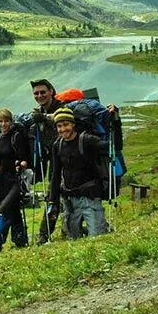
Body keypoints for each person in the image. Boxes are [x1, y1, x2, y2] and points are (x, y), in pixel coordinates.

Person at [47, 108, 108, 239]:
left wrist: (115, 121)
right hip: (70, 201)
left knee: (98, 238)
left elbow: (112, 146)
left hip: (90, 197)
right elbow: (56, 174)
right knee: (74, 240)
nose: (63, 129)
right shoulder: (57, 145)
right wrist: (52, 200)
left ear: (73, 124)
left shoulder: (87, 140)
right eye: (59, 126)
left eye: (66, 125)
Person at [0, 108, 30, 251]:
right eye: (0, 121)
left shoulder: (16, 136)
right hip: (4, 179)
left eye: (6, 121)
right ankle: (20, 239)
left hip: (17, 180)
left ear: (11, 122)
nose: (3, 124)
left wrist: (21, 164)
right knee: (13, 209)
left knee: (3, 208)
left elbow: (25, 158)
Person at [30, 78, 64, 244]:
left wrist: (43, 117)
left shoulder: (62, 106)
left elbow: (62, 118)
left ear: (51, 91)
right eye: (36, 93)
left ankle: (45, 235)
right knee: (54, 196)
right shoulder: (39, 113)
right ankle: (45, 234)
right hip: (54, 161)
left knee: (59, 195)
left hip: (69, 159)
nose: (39, 95)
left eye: (43, 92)